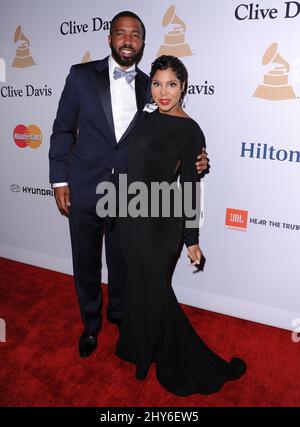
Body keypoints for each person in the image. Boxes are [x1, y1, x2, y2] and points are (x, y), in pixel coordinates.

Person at [49, 11, 209, 359]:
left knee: (123, 265)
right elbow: (62, 129)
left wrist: (196, 158)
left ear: (142, 43)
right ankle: (91, 326)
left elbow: (168, 138)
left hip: (130, 199)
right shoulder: (80, 77)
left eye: (135, 35)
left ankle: (121, 317)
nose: (127, 40)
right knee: (86, 263)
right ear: (109, 38)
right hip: (85, 188)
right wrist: (59, 179)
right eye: (120, 33)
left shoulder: (150, 85)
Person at [115, 55, 246, 396]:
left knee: (154, 289)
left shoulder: (189, 130)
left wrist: (192, 238)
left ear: (183, 87)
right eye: (157, 83)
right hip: (129, 216)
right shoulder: (144, 117)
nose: (163, 92)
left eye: (171, 84)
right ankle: (138, 348)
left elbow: (190, 185)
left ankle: (163, 356)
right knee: (139, 288)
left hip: (161, 222)